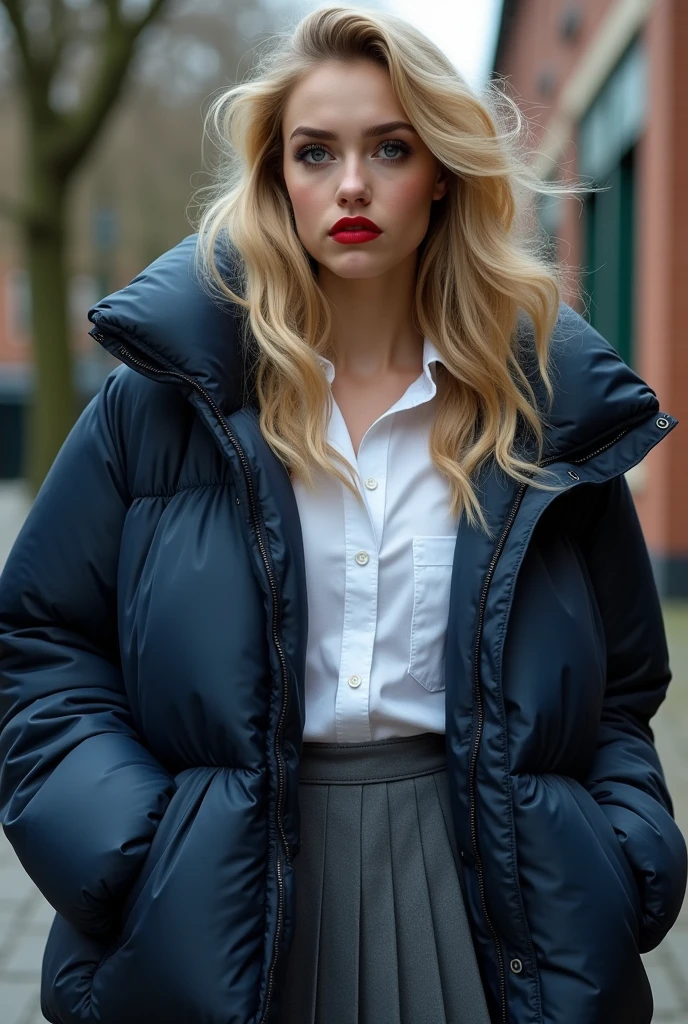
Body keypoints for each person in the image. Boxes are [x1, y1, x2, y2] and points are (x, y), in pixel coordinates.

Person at [0, 4, 685, 1023]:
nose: (351, 184)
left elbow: (622, 685)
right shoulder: (161, 403)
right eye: (315, 152)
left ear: (442, 171)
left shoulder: (541, 416)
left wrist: (613, 849)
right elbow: (42, 640)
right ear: (277, 175)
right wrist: (142, 849)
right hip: (222, 890)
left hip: (485, 891)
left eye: (390, 148)